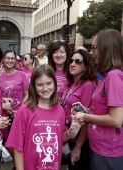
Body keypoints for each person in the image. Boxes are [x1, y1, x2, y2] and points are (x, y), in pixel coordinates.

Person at [6, 64, 82, 170]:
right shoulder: (24, 110)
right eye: (40, 85)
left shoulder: (60, 109)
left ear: (55, 84)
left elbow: (59, 138)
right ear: (33, 86)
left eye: (49, 83)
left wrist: (72, 132)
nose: (45, 88)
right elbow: (17, 147)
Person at [73, 29, 123, 170]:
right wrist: (86, 112)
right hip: (101, 148)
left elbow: (116, 120)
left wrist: (86, 116)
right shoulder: (108, 75)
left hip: (108, 150)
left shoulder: (113, 76)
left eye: (94, 48)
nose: (91, 52)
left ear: (105, 49)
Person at [62, 49, 96, 170]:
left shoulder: (88, 85)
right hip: (70, 134)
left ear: (86, 66)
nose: (73, 64)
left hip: (80, 139)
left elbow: (86, 119)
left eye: (78, 61)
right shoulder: (73, 82)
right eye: (71, 61)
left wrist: (78, 147)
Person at [0, 49, 29, 117]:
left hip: (19, 113)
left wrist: (20, 109)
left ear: (15, 60)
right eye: (8, 58)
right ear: (3, 60)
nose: (10, 61)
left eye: (12, 58)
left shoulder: (22, 75)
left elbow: (27, 94)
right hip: (2, 114)